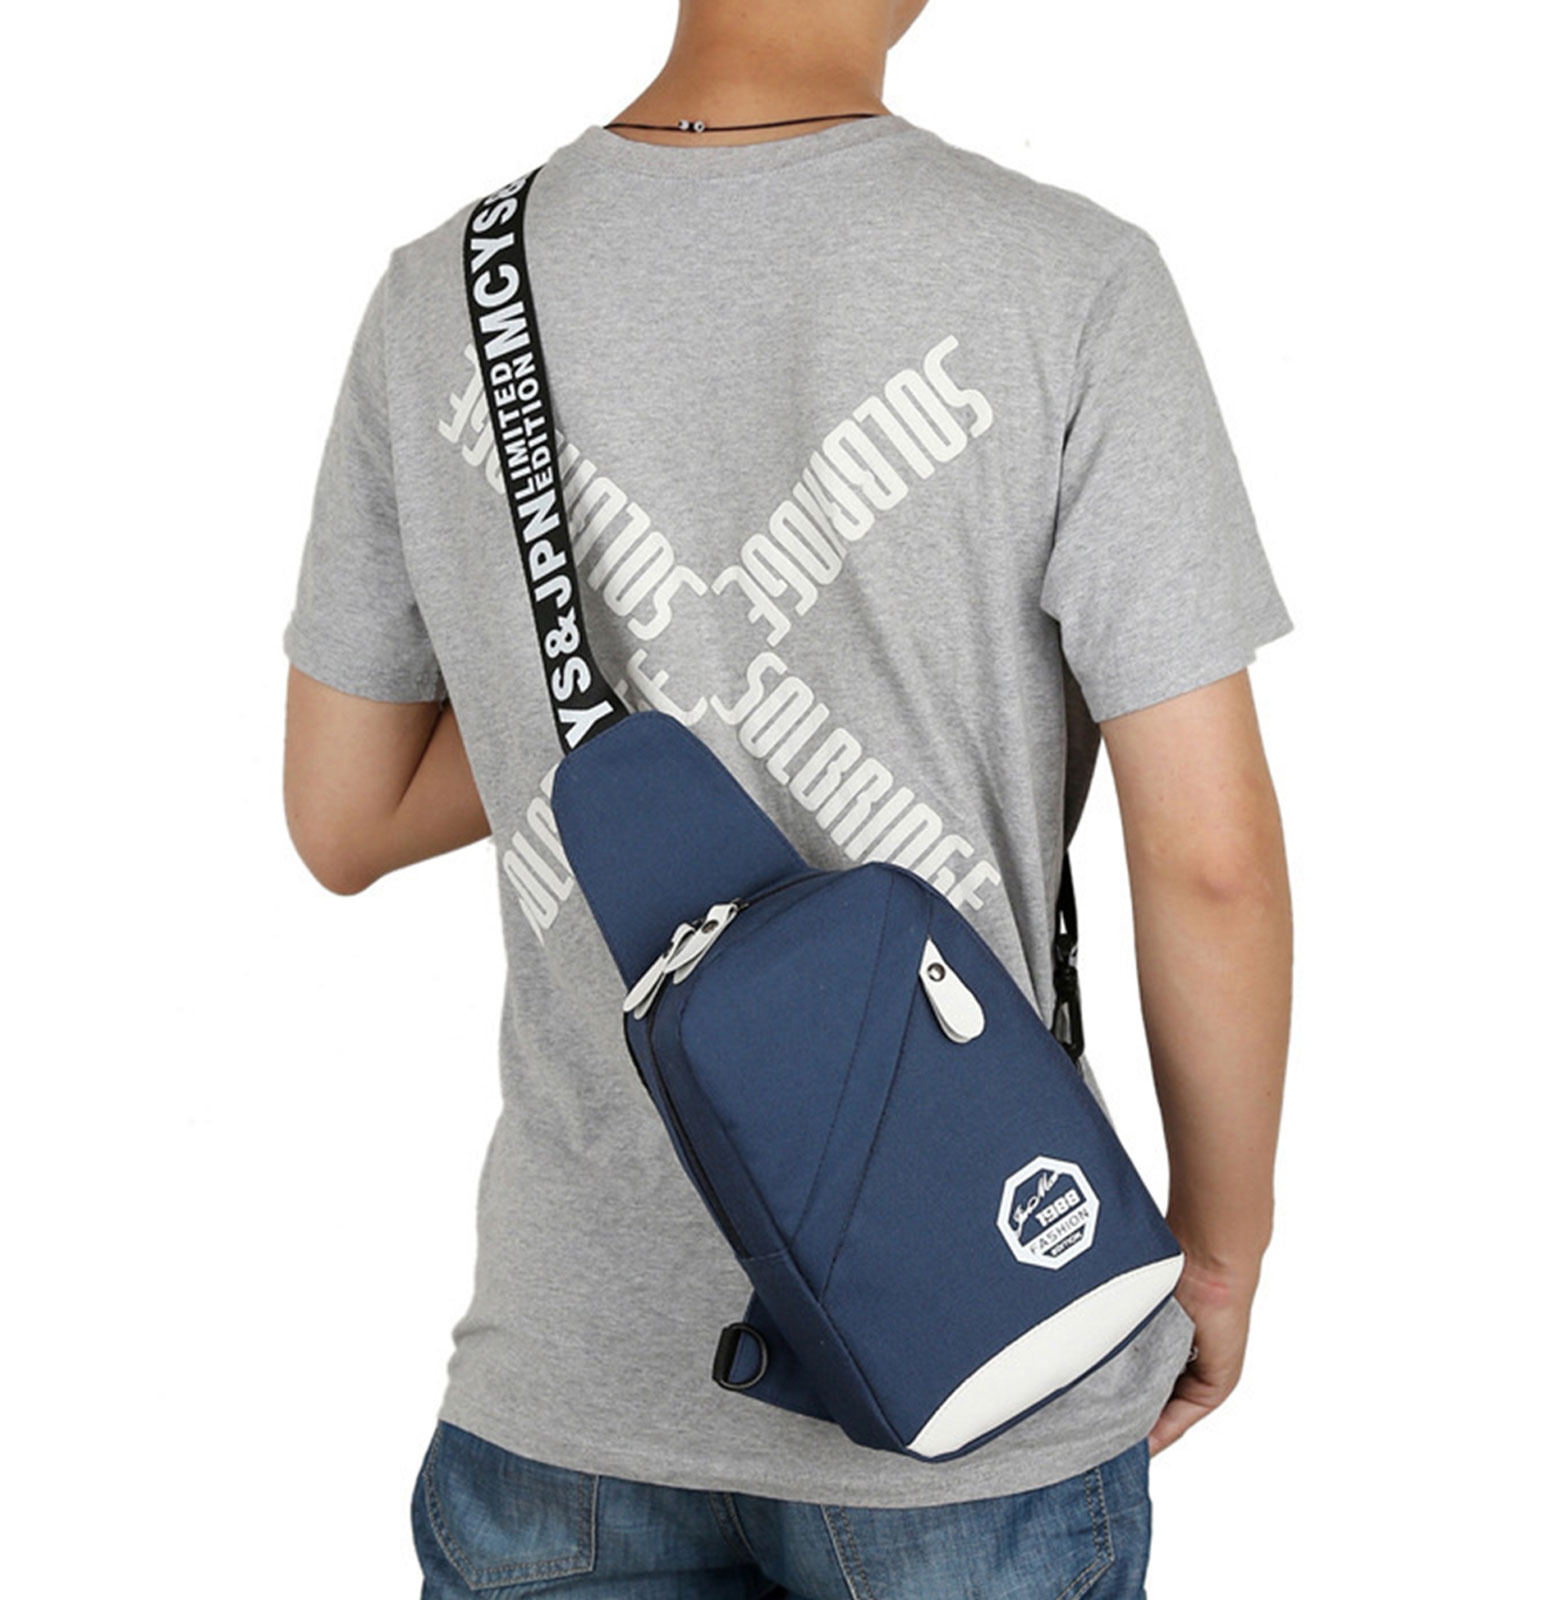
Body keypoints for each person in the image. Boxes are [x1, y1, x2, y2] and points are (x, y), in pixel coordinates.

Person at [280, 1, 1293, 1593]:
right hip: (983, 1339)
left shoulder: (439, 296)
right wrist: (1220, 1250)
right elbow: (1210, 858)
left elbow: (341, 816)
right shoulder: (1069, 280)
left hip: (566, 1394)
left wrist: (623, 689)